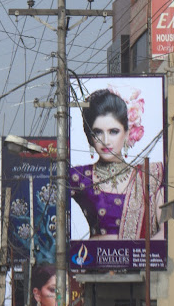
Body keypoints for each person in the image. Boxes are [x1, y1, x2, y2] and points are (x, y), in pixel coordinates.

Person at [70, 88, 165, 240]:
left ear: (127, 133)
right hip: (93, 255)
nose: (105, 141)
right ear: (89, 137)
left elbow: (166, 231)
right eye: (97, 132)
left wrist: (136, 253)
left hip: (142, 255)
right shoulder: (79, 177)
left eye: (113, 131)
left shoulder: (151, 176)